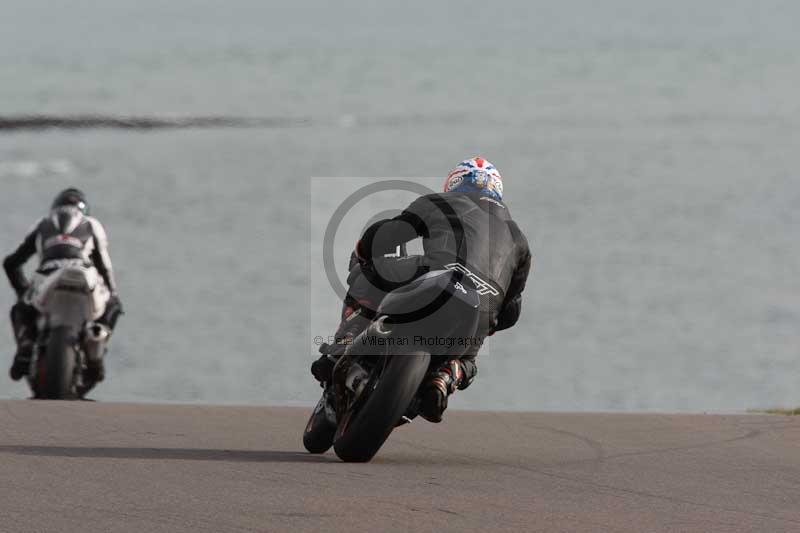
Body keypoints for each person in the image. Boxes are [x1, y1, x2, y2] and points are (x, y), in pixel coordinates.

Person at [312, 157, 532, 422]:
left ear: (454, 183)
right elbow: (512, 310)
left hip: (437, 276)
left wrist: (364, 251)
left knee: (366, 274)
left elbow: (391, 235)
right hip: (480, 308)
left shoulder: (440, 202)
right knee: (469, 360)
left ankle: (341, 347)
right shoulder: (519, 238)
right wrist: (491, 323)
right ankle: (445, 376)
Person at [3, 188, 123, 381]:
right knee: (113, 306)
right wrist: (113, 291)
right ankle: (97, 342)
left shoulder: (43, 223)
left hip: (48, 275)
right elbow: (104, 264)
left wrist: (22, 291)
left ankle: (25, 346)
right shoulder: (91, 223)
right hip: (84, 274)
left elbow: (11, 262)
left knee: (20, 310)